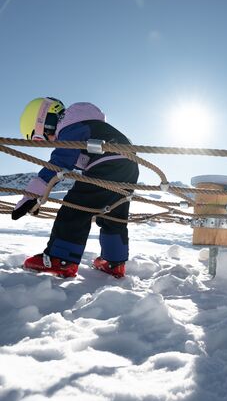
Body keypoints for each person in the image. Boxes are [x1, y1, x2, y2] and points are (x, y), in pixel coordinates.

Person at [12, 97, 139, 278]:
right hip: (130, 167)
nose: (49, 143)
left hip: (105, 165)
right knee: (114, 215)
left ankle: (61, 259)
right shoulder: (89, 124)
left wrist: (31, 195)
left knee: (75, 208)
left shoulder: (71, 126)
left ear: (44, 122)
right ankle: (114, 262)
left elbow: (59, 163)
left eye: (41, 138)